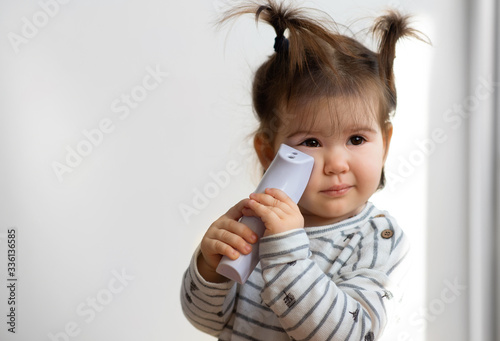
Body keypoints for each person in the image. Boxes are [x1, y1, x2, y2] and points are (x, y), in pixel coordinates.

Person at [181, 1, 426, 340]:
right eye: (311, 142)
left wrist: (287, 249)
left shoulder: (378, 240)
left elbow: (348, 334)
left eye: (356, 138)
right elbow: (211, 322)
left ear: (384, 142)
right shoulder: (258, 228)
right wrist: (211, 270)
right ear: (269, 152)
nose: (337, 164)